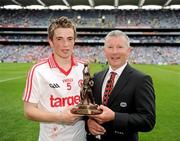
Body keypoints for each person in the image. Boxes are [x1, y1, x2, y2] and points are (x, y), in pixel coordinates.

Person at [22, 16, 86, 141]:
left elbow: (86, 101)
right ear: (50, 41)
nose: (65, 44)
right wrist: (60, 117)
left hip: (81, 138)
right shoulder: (38, 71)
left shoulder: (83, 68)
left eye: (69, 39)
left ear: (74, 41)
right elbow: (29, 111)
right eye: (59, 39)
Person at [86, 30, 156, 141]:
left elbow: (148, 120)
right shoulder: (97, 77)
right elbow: (90, 107)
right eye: (110, 47)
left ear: (128, 51)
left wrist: (115, 117)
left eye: (119, 47)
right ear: (104, 51)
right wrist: (89, 122)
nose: (114, 52)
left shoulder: (141, 80)